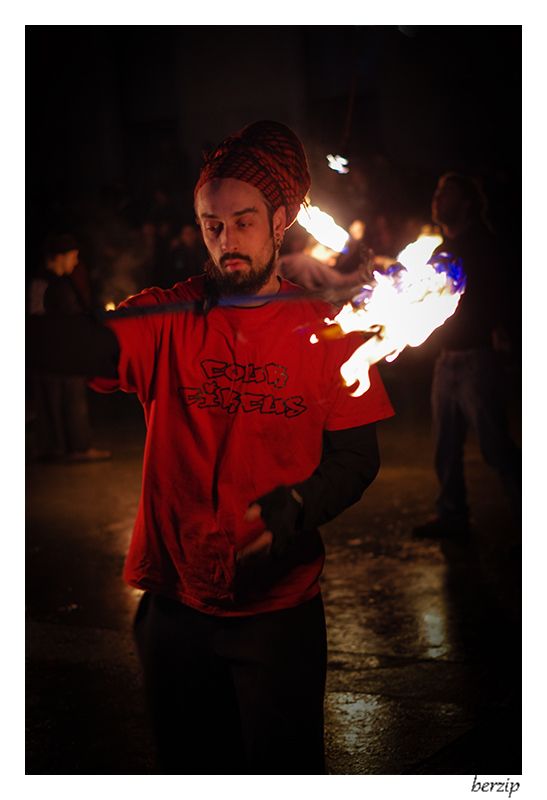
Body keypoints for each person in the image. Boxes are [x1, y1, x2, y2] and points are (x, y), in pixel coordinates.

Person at [28, 121, 394, 774]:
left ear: (281, 219)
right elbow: (72, 345)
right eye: (211, 223)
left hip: (278, 614)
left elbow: (356, 458)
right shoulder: (166, 316)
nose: (226, 240)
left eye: (243, 221)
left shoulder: (329, 330)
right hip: (174, 611)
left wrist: (301, 503)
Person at [413, 172, 520, 539]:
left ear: (468, 203)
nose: (437, 198)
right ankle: (452, 514)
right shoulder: (441, 249)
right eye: (437, 191)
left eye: (447, 193)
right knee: (445, 445)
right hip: (447, 358)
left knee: (495, 447)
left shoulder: (484, 246)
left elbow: (504, 295)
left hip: (478, 358)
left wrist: (507, 335)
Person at [28, 234, 111, 463]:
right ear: (60, 257)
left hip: (65, 351)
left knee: (69, 398)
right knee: (54, 399)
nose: (75, 263)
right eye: (72, 257)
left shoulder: (62, 281)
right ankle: (60, 448)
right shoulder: (40, 283)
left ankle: (72, 447)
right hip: (52, 353)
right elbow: (36, 317)